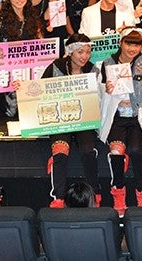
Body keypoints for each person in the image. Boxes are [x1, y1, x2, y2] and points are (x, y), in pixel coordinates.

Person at [100, 27, 142, 216]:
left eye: (137, 44)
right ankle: (118, 191)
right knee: (116, 151)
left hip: (138, 117)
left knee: (135, 150)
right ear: (120, 43)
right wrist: (106, 91)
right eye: (128, 43)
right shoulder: (107, 63)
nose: (132, 49)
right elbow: (99, 96)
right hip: (116, 117)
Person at [43, 34, 102, 208]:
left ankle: (95, 194)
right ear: (70, 52)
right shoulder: (56, 67)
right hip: (60, 119)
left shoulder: (93, 70)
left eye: (88, 52)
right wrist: (21, 87)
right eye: (80, 52)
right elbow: (39, 90)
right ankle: (58, 198)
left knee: (88, 151)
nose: (85, 56)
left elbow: (100, 99)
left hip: (84, 119)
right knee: (60, 151)